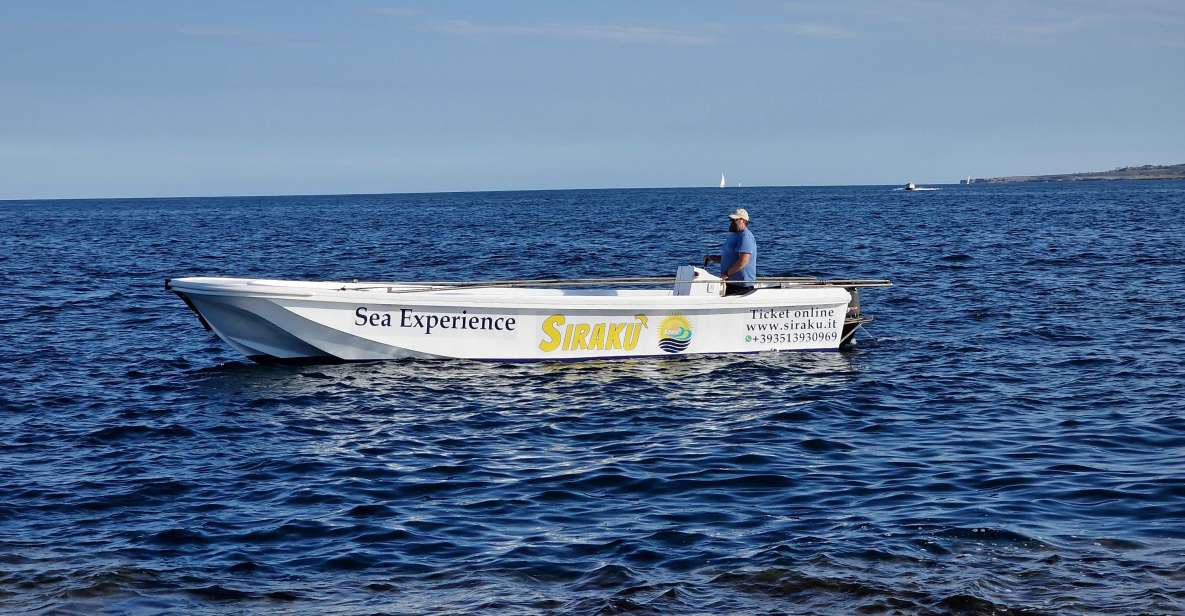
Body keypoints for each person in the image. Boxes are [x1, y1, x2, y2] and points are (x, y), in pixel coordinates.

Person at [703, 208, 757, 296]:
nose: (731, 222)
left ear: (743, 221)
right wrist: (712, 258)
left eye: (734, 220)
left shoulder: (745, 236)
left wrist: (726, 274)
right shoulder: (734, 236)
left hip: (740, 286)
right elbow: (730, 259)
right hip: (730, 283)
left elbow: (743, 261)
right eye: (731, 220)